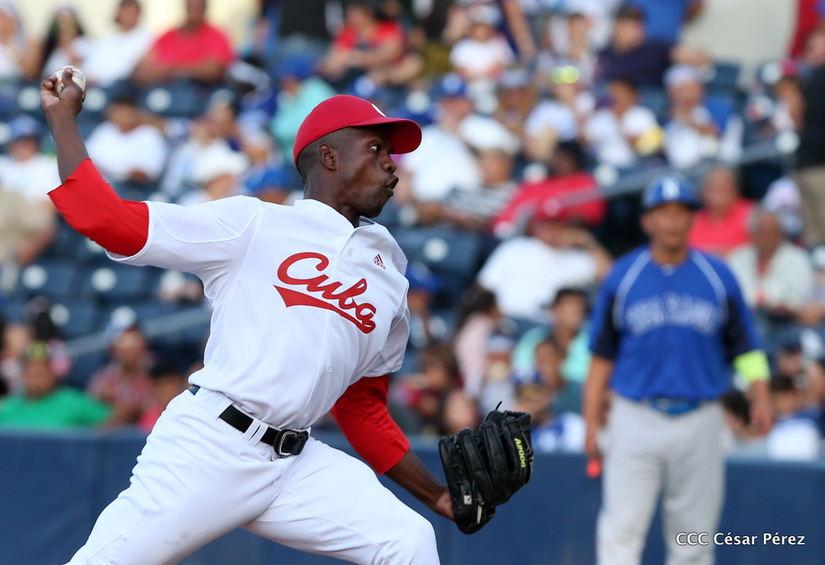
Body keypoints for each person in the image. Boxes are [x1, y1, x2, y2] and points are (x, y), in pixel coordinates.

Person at [41, 70, 451, 564]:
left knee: (408, 541)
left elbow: (362, 406)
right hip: (212, 446)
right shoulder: (255, 224)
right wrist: (63, 119)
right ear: (329, 156)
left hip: (296, 464)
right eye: (376, 149)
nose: (391, 166)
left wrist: (438, 496)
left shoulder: (390, 273)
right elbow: (107, 220)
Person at [583, 174, 774, 565]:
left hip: (700, 416)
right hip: (635, 415)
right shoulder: (623, 275)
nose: (672, 220)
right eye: (663, 212)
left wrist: (762, 395)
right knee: (621, 530)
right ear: (647, 220)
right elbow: (601, 355)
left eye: (681, 211)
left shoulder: (717, 275)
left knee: (694, 539)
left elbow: (746, 347)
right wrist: (590, 421)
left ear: (692, 219)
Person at [0, 341, 111, 430]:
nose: (36, 374)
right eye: (30, 369)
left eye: (42, 369)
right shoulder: (6, 407)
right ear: (23, 374)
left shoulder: (72, 401)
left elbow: (111, 420)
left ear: (52, 373)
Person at [130, 0, 235, 85]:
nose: (194, 10)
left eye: (198, 6)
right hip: (159, 92)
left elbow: (213, 71)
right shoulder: (167, 36)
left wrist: (171, 70)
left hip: (200, 93)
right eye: (191, 6)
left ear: (205, 8)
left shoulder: (216, 35)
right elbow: (140, 69)